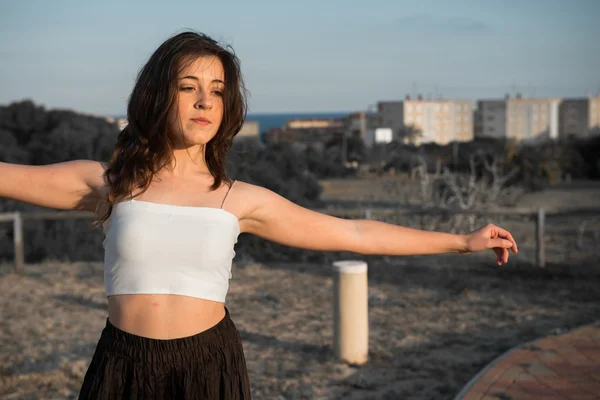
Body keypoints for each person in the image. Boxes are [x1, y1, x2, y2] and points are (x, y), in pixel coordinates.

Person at [0, 31, 518, 399]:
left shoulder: (240, 199)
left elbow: (353, 232)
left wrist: (460, 241)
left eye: (218, 91)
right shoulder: (111, 182)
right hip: (123, 364)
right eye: (188, 87)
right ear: (159, 95)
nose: (205, 101)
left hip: (209, 365)